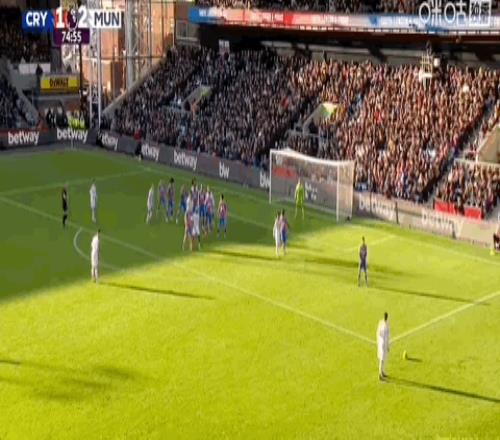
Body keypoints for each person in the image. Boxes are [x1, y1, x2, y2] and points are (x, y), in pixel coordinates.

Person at [376, 312, 390, 381]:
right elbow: (385, 337)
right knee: (382, 359)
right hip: (383, 344)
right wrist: (387, 346)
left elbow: (379, 333)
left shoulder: (382, 323)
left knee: (383, 359)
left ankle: (382, 372)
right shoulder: (385, 326)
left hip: (382, 344)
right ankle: (380, 375)